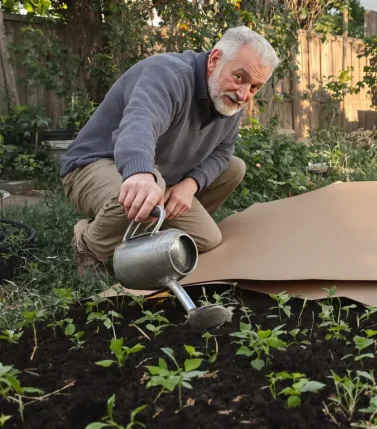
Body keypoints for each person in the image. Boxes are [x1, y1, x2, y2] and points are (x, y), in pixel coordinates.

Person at [58, 26, 280, 281]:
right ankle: (88, 245)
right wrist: (141, 173)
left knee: (210, 233)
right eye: (240, 77)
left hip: (161, 175)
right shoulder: (167, 74)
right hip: (93, 165)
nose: (244, 94)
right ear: (215, 59)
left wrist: (191, 184)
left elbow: (222, 151)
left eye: (254, 87)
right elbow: (139, 124)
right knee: (151, 186)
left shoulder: (230, 100)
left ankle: (145, 224)